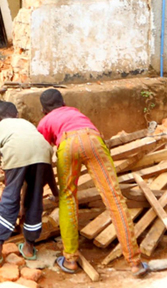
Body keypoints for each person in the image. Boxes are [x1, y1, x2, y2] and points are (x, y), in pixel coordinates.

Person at [37, 88, 148, 278]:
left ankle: (70, 259)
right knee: (114, 199)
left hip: (67, 143)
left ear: (43, 110)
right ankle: (135, 262)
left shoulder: (45, 121)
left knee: (68, 199)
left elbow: (41, 152)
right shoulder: (75, 112)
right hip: (92, 139)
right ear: (63, 103)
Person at [0, 101, 58, 264]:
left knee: (10, 196)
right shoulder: (27, 124)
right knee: (35, 198)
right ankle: (28, 247)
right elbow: (48, 172)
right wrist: (56, 193)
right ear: (16, 115)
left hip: (16, 151)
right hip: (43, 151)